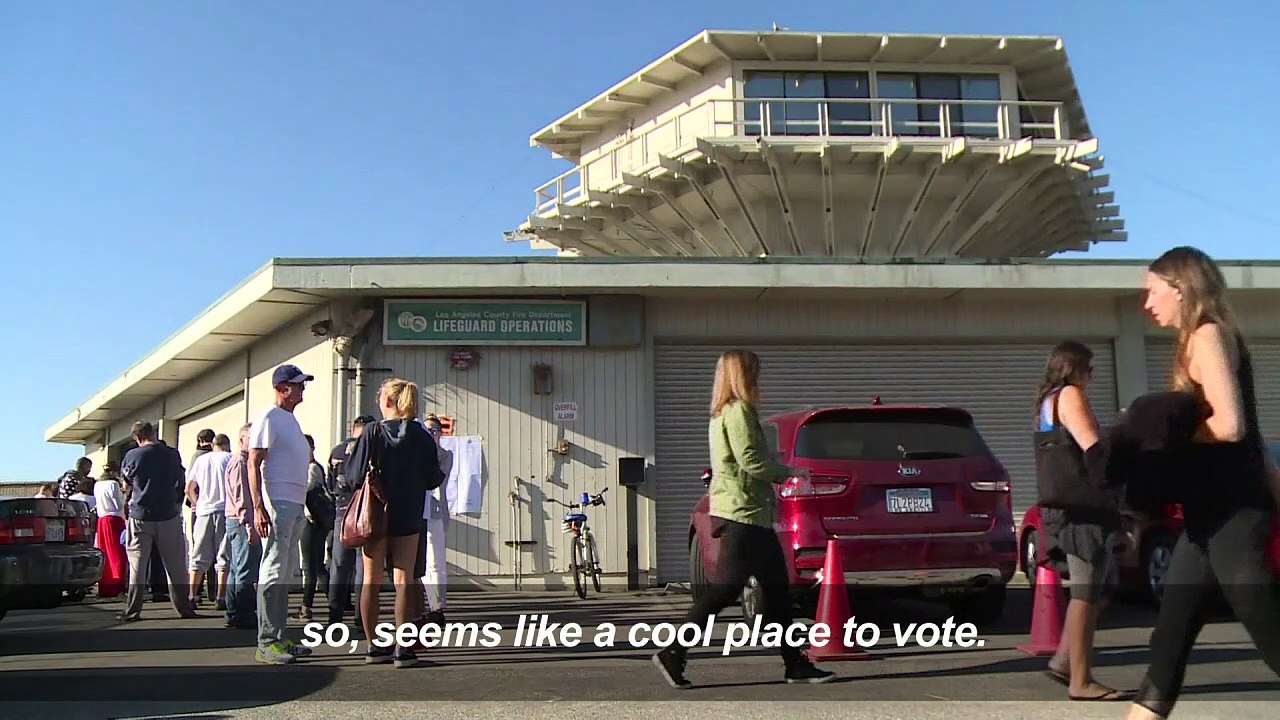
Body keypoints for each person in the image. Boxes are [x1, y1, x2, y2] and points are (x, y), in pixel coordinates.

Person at [1125, 246, 1280, 720]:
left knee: (1268, 629)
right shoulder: (1203, 337)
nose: (1147, 304)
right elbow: (1253, 441)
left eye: (1152, 291)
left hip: (1232, 515)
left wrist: (1164, 433)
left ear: (1179, 286)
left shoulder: (1207, 336)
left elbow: (1231, 427)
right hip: (1205, 520)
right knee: (1168, 642)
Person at [652, 349, 833, 688]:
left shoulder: (727, 412)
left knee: (777, 593)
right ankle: (673, 652)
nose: (758, 379)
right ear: (743, 375)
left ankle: (795, 663)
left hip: (749, 514)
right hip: (742, 514)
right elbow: (751, 460)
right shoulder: (739, 411)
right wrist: (791, 473)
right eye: (755, 372)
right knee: (724, 590)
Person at [1032, 341, 1127, 701]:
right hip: (1081, 510)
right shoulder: (1069, 395)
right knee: (1086, 593)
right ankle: (1081, 680)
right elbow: (1093, 448)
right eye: (1090, 368)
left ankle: (1064, 661)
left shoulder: (1047, 401)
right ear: (1075, 369)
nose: (1094, 375)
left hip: (1066, 507)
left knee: (1101, 586)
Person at [344, 378, 445, 668]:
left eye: (380, 396)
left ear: (388, 401)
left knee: (371, 579)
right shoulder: (421, 435)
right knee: (403, 579)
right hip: (409, 511)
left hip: (374, 512)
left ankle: (373, 644)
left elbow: (352, 477)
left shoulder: (372, 432)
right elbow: (433, 478)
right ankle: (403, 647)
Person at [247, 364, 317, 665]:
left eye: (302, 384)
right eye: (297, 385)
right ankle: (267, 642)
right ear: (281, 388)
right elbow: (253, 462)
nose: (302, 389)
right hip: (278, 502)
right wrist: (259, 507)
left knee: (285, 572)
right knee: (273, 571)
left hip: (293, 503)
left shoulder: (289, 421)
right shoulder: (269, 417)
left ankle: (279, 635)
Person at [119, 421, 196, 622]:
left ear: (136, 438)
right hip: (168, 514)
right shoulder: (172, 454)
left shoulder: (132, 456)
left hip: (140, 514)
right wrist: (176, 503)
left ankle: (133, 610)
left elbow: (126, 484)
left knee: (138, 565)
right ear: (153, 433)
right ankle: (183, 608)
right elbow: (180, 481)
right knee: (176, 565)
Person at [327, 415, 374, 627]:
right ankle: (360, 617)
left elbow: (330, 485)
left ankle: (334, 614)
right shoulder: (371, 449)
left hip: (341, 511)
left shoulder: (336, 451)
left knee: (339, 565)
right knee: (363, 566)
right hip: (365, 512)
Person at [223, 423, 261, 630]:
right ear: (241, 440)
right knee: (245, 568)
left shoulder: (245, 461)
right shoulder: (240, 462)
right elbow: (241, 496)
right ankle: (243, 612)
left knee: (237, 568)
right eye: (250, 438)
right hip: (240, 520)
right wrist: (248, 523)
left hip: (236, 519)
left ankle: (234, 612)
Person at [186, 434, 231, 609]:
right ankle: (221, 596)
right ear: (227, 445)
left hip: (204, 511)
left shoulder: (201, 460)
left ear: (213, 445)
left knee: (198, 555)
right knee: (224, 555)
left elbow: (189, 488)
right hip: (225, 510)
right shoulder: (230, 458)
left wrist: (197, 503)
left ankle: (191, 594)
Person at [299, 434, 334, 621]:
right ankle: (333, 602)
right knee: (317, 566)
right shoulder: (314, 468)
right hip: (317, 522)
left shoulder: (312, 469)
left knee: (311, 566)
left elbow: (303, 489)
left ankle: (307, 606)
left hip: (312, 522)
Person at [94, 460, 128, 598]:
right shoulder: (113, 484)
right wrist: (124, 493)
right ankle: (118, 584)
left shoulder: (97, 484)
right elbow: (118, 504)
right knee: (117, 552)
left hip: (101, 519)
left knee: (105, 552)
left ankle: (105, 586)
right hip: (114, 519)